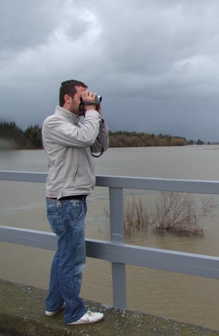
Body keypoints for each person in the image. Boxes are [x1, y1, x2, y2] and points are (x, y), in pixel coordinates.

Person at [41, 79, 109, 325]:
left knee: (64, 255)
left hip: (71, 200)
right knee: (73, 259)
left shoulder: (79, 124)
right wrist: (90, 114)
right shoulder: (54, 123)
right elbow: (84, 138)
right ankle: (74, 313)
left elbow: (100, 144)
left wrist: (97, 117)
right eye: (83, 96)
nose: (87, 100)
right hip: (66, 201)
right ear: (67, 98)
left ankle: (53, 304)